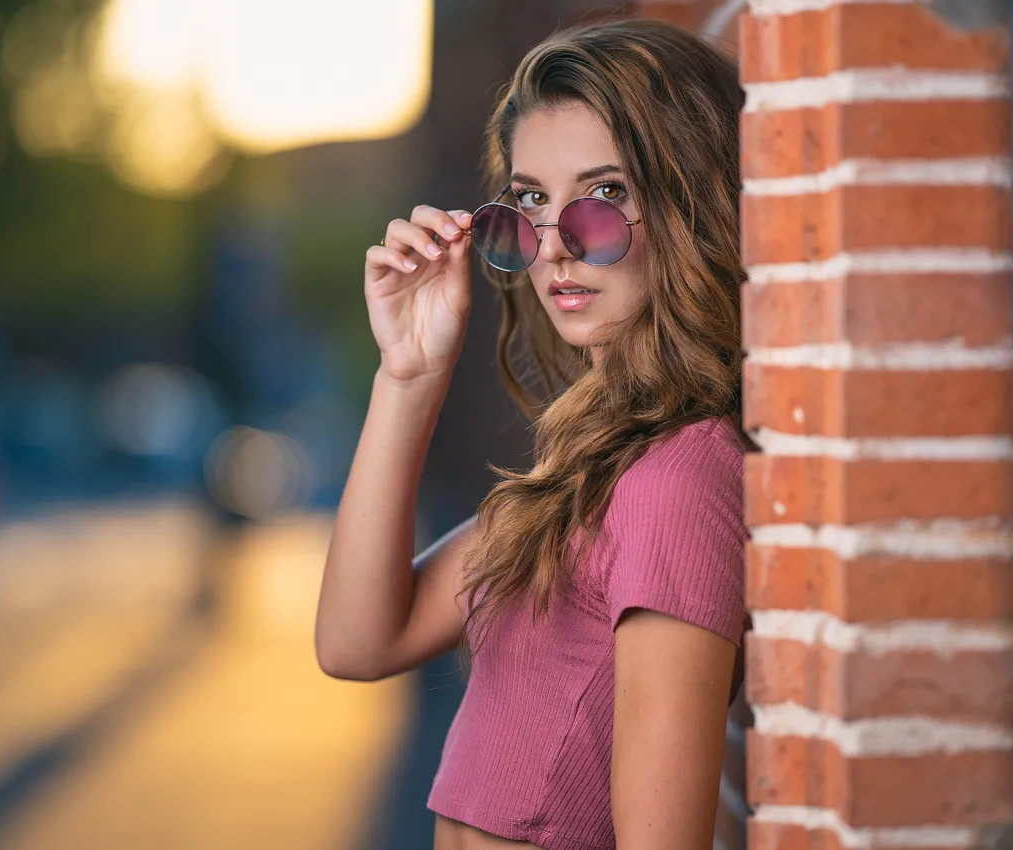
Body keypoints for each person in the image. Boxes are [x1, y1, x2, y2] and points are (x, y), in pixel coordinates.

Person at [316, 18, 748, 850]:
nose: (554, 244)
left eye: (607, 195)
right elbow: (358, 640)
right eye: (530, 203)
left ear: (691, 202)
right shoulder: (596, 462)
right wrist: (407, 375)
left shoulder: (677, 482)